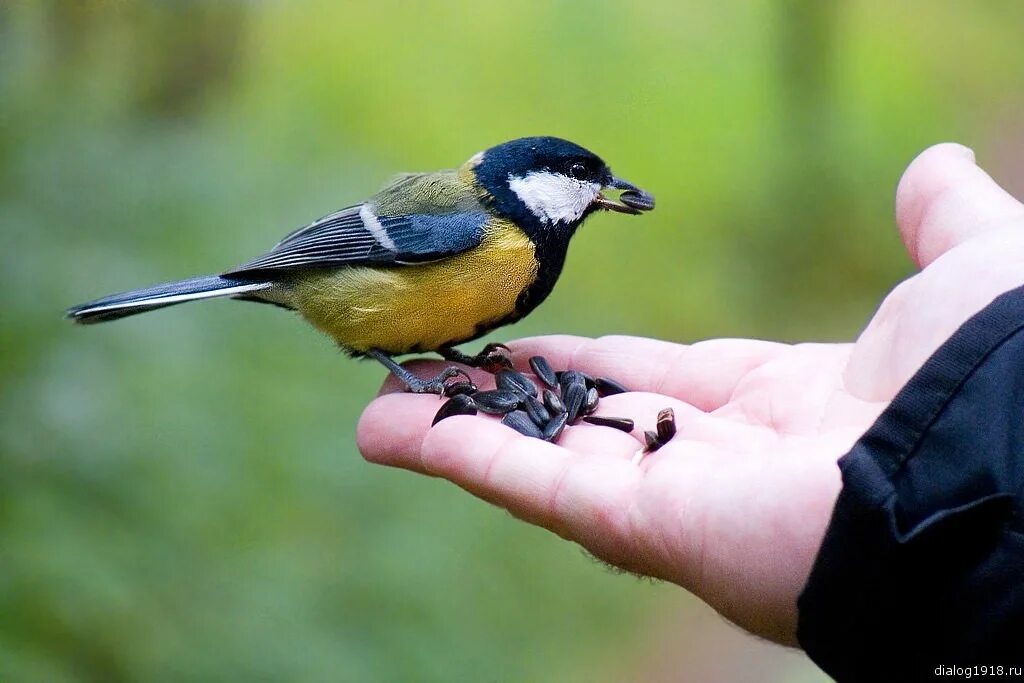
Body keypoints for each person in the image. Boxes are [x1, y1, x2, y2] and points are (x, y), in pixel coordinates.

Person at [357, 143, 1024, 680]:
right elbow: (350, 249)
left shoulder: (522, 244)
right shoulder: (471, 220)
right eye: (580, 176)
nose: (600, 190)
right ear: (532, 181)